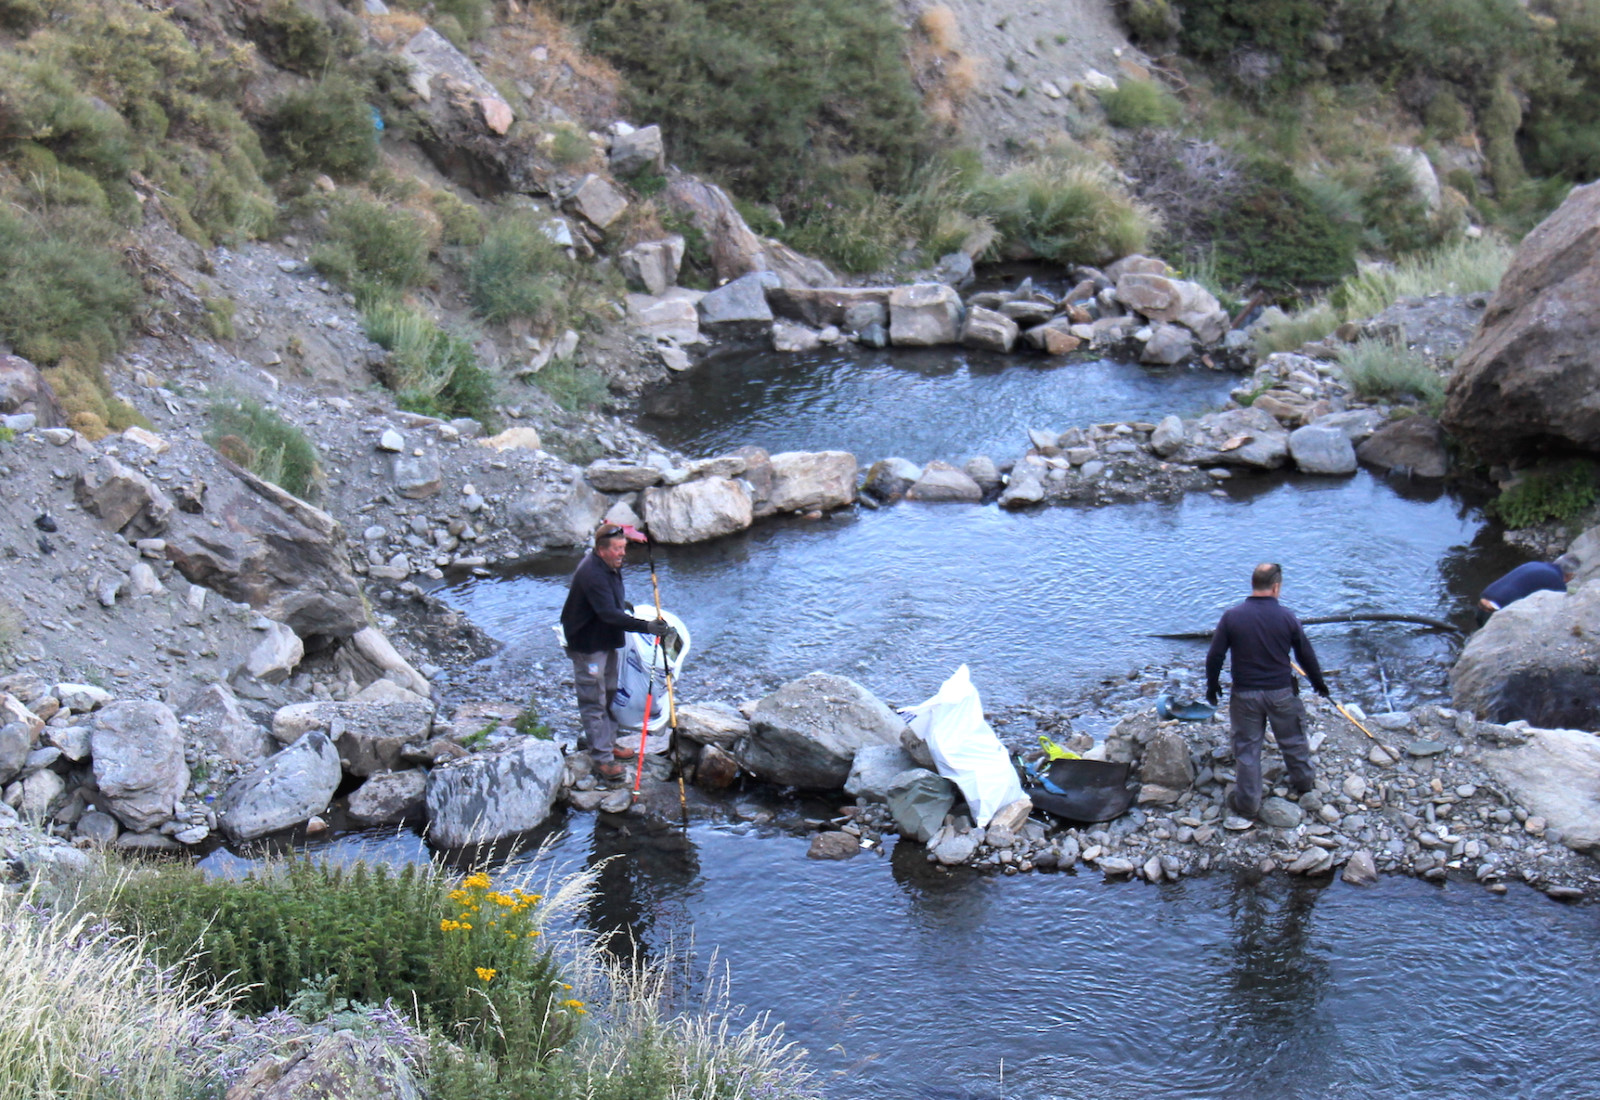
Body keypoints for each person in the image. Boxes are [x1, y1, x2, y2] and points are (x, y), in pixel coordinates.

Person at [1205, 563, 1330, 822]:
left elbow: (1215, 655)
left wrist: (1212, 684)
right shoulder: (1287, 617)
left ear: (1254, 584)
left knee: (1247, 749)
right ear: (1276, 587)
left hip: (1245, 695)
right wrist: (1319, 683)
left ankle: (1248, 803)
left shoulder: (1231, 617)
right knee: (1293, 740)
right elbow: (1305, 654)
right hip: (1282, 692)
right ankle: (1304, 784)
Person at [561, 522, 668, 780]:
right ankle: (601, 758)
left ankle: (607, 743)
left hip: (605, 638)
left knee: (610, 693)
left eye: (624, 548)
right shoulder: (593, 573)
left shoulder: (608, 565)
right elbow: (608, 614)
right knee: (593, 699)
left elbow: (609, 603)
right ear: (601, 550)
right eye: (618, 549)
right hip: (588, 645)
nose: (623, 553)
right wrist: (646, 627)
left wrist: (622, 603)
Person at [1477, 555, 1578, 624]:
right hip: (1496, 610)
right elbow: (1560, 608)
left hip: (1483, 601)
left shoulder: (1535, 564)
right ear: (1570, 575)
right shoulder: (1556, 580)